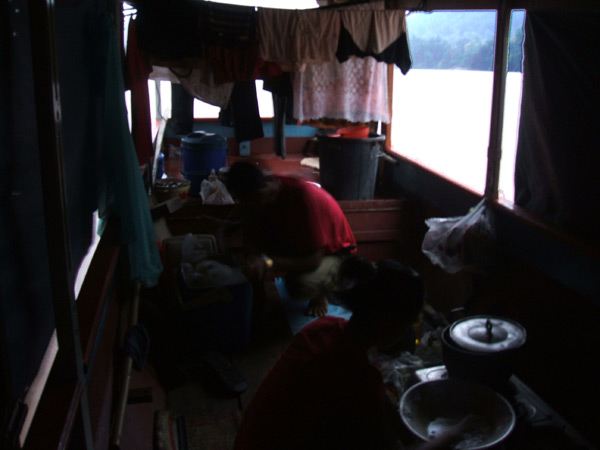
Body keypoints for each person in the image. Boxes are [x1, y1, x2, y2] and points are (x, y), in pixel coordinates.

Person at [232, 256, 467, 450]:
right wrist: (450, 436)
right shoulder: (358, 380)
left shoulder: (323, 328)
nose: (406, 332)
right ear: (388, 322)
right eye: (407, 325)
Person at [223, 161, 357, 317]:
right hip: (300, 245)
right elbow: (251, 233)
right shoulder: (263, 188)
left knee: (300, 286)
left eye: (243, 202)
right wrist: (258, 288)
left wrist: (266, 262)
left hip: (334, 253)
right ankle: (260, 296)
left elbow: (314, 260)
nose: (243, 206)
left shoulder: (304, 199)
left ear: (259, 195)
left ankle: (321, 293)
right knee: (252, 238)